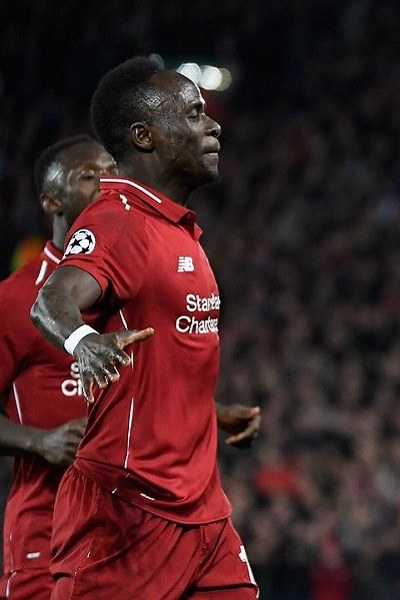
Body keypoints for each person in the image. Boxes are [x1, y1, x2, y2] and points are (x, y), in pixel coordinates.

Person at [30, 57, 260, 598]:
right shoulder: (117, 220)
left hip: (204, 513)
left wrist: (208, 412)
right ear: (145, 136)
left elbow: (158, 363)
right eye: (195, 114)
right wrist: (84, 342)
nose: (213, 125)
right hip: (125, 512)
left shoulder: (175, 229)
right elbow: (51, 299)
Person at [0, 136, 115, 599]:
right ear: (52, 202)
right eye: (89, 176)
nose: (106, 184)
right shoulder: (14, 299)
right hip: (46, 537)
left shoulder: (133, 291)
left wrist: (214, 413)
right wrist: (40, 442)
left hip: (126, 539)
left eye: (113, 172)